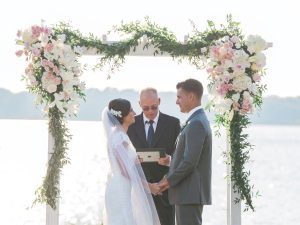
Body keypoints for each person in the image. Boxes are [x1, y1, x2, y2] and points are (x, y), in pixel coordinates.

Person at [159, 79, 212, 225]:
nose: (177, 101)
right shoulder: (196, 120)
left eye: (179, 97)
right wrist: (171, 161)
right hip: (188, 193)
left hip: (189, 194)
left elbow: (190, 162)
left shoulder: (196, 123)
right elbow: (190, 157)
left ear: (191, 97)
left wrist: (168, 181)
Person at [102, 98, 161, 225]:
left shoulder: (118, 135)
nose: (134, 113)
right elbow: (124, 170)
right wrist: (147, 186)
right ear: (122, 115)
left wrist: (134, 161)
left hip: (120, 186)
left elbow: (122, 163)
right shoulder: (120, 137)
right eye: (131, 110)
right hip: (120, 189)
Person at [127, 88, 181, 225]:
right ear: (139, 104)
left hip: (165, 191)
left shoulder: (173, 123)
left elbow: (180, 155)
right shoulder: (130, 124)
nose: (150, 111)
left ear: (159, 101)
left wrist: (170, 160)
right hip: (139, 192)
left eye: (154, 107)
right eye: (145, 108)